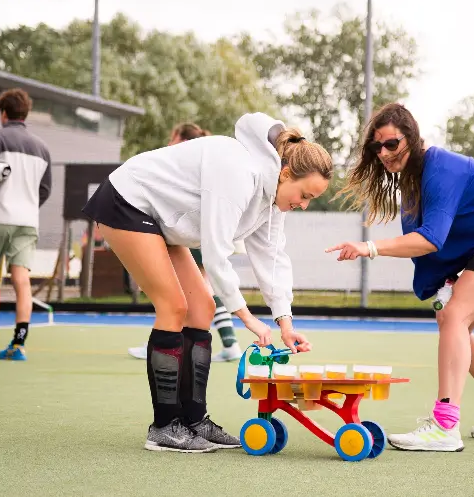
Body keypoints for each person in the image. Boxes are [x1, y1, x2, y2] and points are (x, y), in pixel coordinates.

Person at [82, 112, 332, 453]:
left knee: (202, 307)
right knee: (174, 306)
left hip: (160, 220)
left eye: (310, 201)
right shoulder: (239, 173)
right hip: (126, 201)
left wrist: (284, 323)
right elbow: (215, 256)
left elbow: (272, 260)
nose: (303, 205)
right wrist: (247, 317)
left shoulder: (272, 203)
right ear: (286, 173)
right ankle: (164, 427)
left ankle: (194, 420)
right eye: (305, 195)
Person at [326, 103, 474, 452]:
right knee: (456, 323)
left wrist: (368, 247)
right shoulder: (415, 178)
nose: (384, 153)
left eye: (392, 144)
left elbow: (430, 239)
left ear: (413, 137)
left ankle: (444, 426)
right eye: (377, 147)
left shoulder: (439, 168)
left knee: (453, 318)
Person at [126, 123, 244, 362]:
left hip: (194, 231)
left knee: (177, 290)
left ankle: (164, 341)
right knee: (202, 288)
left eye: (172, 137)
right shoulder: (204, 158)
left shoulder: (183, 161)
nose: (169, 142)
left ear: (179, 138)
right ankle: (229, 342)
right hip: (206, 230)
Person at [0, 88, 52, 361]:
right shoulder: (42, 148)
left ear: (3, 113)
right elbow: (45, 190)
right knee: (21, 280)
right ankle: (18, 345)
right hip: (27, 222)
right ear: (26, 113)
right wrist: (27, 206)